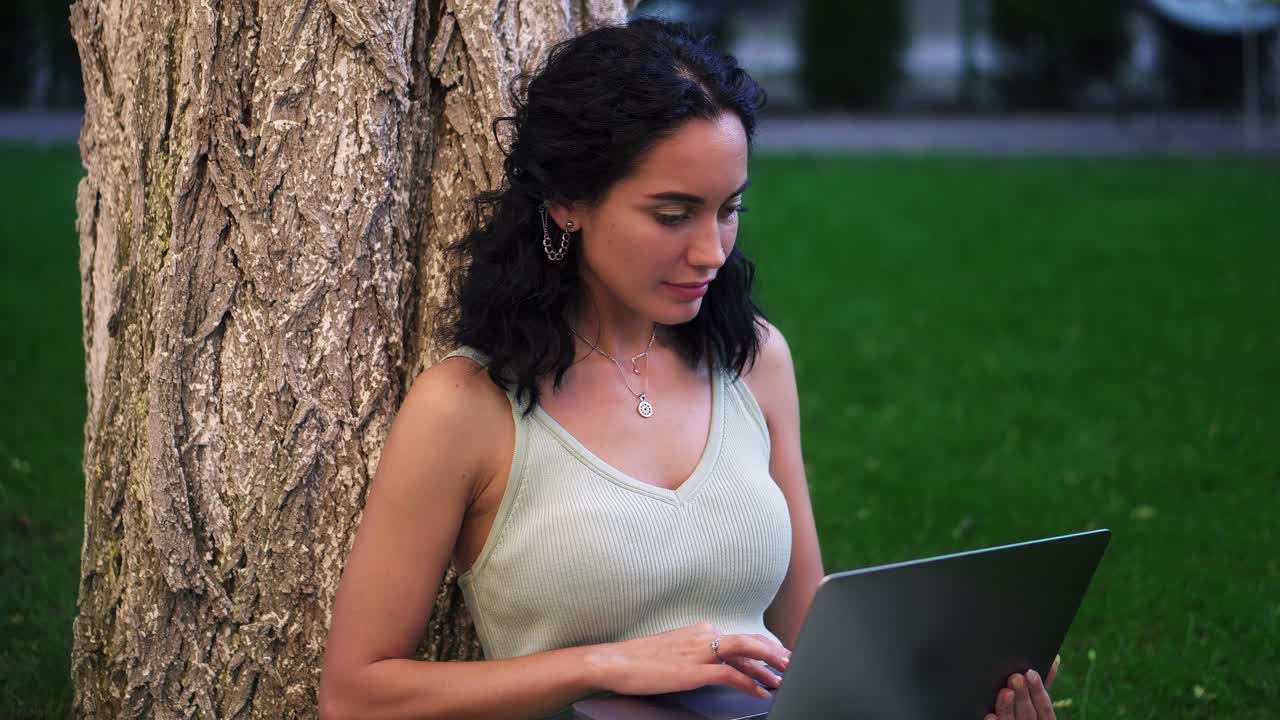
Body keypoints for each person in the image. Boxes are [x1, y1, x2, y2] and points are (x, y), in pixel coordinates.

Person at [318, 18, 1059, 720]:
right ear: (569, 202)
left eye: (728, 209)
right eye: (673, 215)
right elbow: (355, 695)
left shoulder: (754, 361)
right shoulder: (465, 406)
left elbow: (809, 635)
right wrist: (603, 665)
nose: (712, 251)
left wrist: (959, 682)